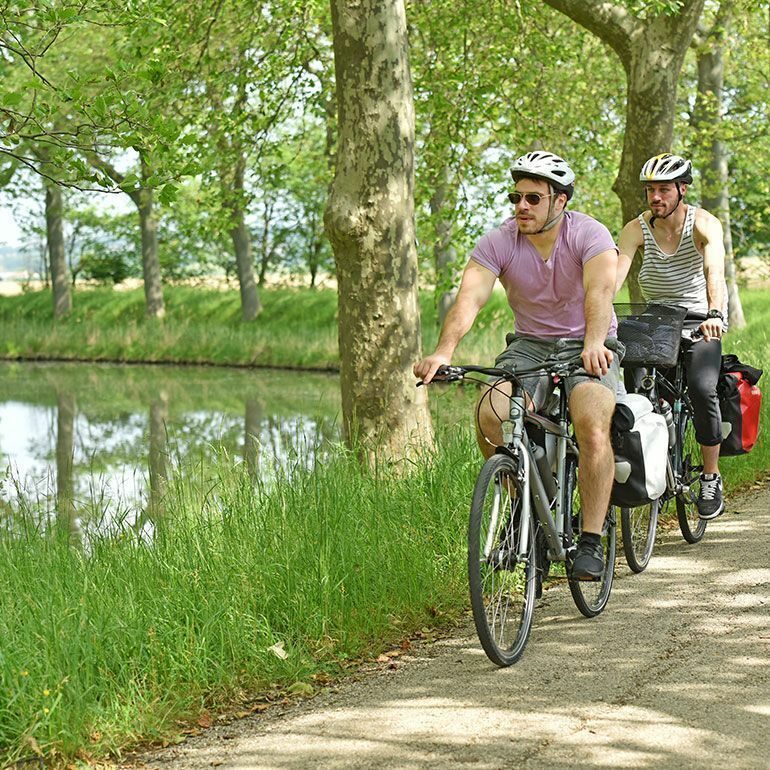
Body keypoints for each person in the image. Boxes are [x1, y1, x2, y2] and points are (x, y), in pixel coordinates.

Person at [414, 151, 621, 580]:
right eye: (516, 197)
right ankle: (525, 507)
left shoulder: (590, 234)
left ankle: (590, 539)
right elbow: (469, 298)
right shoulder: (499, 241)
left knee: (591, 420)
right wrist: (443, 352)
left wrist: (595, 341)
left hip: (588, 343)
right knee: (492, 414)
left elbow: (599, 293)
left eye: (533, 198)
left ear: (559, 201)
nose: (521, 207)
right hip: (528, 346)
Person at [616, 152, 728, 520]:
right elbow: (614, 277)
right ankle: (649, 468)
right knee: (636, 399)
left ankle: (711, 476)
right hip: (655, 320)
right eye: (650, 190)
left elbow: (715, 272)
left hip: (699, 319)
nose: (655, 197)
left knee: (701, 387)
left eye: (664, 189)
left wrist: (714, 313)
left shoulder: (704, 224)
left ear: (682, 189)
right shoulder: (636, 229)